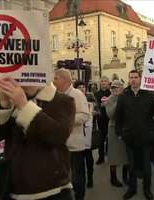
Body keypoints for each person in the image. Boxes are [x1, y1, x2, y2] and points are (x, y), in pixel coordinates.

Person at [0, 73, 75, 200]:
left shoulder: (62, 100)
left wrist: (25, 106)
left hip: (53, 190)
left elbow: (58, 135)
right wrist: (3, 104)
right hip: (13, 189)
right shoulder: (11, 101)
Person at [115, 70, 154, 200]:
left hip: (145, 137)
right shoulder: (123, 96)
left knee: (147, 167)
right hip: (130, 137)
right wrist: (120, 133)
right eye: (131, 77)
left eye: (136, 77)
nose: (133, 80)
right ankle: (132, 188)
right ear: (128, 79)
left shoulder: (149, 95)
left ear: (141, 79)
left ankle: (147, 189)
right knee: (131, 166)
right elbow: (118, 116)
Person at [54, 69, 90, 200]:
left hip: (74, 144)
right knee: (62, 177)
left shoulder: (77, 95)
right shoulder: (55, 94)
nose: (53, 81)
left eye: (56, 78)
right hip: (59, 145)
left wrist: (65, 121)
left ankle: (80, 197)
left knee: (77, 177)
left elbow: (85, 115)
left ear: (64, 79)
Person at [105, 80, 129, 187]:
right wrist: (117, 99)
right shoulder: (109, 99)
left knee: (126, 154)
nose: (115, 89)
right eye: (113, 87)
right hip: (113, 129)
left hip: (125, 129)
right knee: (114, 155)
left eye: (118, 87)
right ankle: (113, 178)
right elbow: (111, 114)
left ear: (122, 88)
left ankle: (125, 176)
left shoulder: (126, 98)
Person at [74, 80, 95, 188]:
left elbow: (99, 112)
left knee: (89, 157)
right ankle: (80, 180)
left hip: (88, 132)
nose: (82, 89)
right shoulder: (72, 99)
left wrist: (95, 112)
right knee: (78, 160)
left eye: (83, 87)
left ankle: (90, 178)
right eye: (79, 87)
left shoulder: (90, 98)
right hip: (77, 134)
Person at [94, 76, 111, 164]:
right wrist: (99, 106)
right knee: (101, 139)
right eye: (102, 81)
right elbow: (95, 106)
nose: (104, 83)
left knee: (111, 139)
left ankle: (110, 155)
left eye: (105, 81)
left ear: (108, 83)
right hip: (101, 119)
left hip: (110, 118)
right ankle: (101, 157)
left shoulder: (111, 93)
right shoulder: (97, 94)